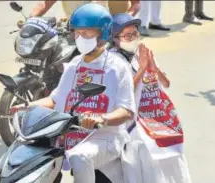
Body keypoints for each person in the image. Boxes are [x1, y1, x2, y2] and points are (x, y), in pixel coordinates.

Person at [28, 3, 136, 183]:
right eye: (78, 33)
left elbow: (127, 110)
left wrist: (103, 119)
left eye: (87, 33)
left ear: (103, 34)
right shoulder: (74, 65)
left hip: (106, 138)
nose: (81, 37)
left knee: (80, 157)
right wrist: (26, 107)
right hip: (70, 137)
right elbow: (55, 100)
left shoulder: (117, 67)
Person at [110, 13, 191, 183]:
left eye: (135, 34)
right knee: (147, 148)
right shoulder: (113, 60)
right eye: (127, 35)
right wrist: (142, 69)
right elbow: (122, 94)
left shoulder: (143, 53)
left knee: (173, 147)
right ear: (115, 40)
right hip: (133, 120)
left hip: (155, 114)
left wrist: (154, 69)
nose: (133, 38)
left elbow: (166, 83)